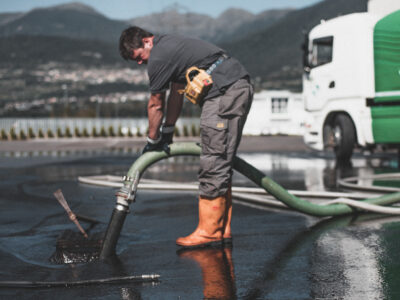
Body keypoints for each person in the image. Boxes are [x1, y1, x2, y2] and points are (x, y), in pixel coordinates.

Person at [119, 26, 253, 248]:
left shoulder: (159, 57)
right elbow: (176, 96)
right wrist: (168, 132)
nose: (141, 63)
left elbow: (156, 104)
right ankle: (221, 229)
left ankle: (209, 232)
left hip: (224, 92)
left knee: (213, 161)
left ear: (146, 41)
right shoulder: (171, 48)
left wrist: (152, 141)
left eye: (139, 57)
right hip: (232, 86)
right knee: (220, 159)